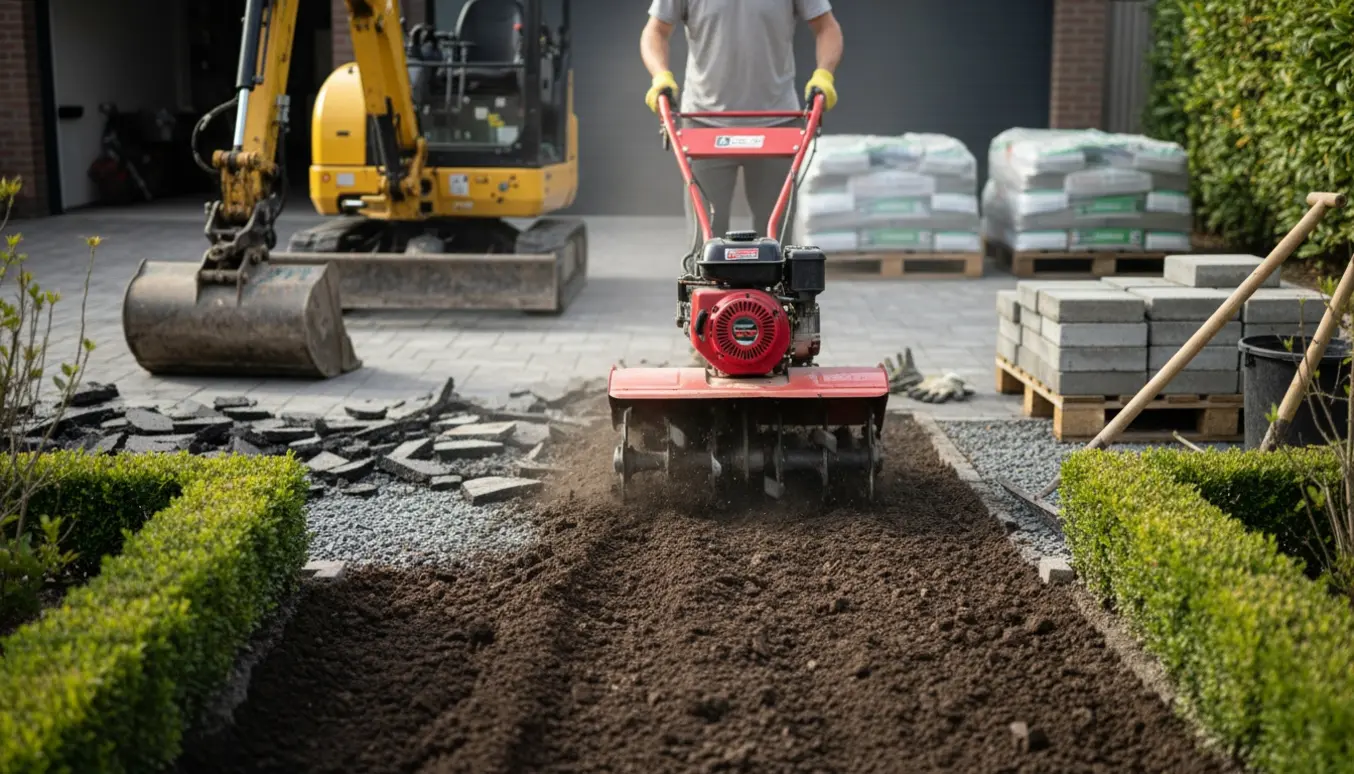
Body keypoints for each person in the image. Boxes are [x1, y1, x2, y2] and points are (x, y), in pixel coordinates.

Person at [640, 0, 843, 251]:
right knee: (705, 237)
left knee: (776, 235)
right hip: (704, 123)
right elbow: (656, 30)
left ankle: (774, 290)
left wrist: (824, 74)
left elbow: (827, 27)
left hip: (777, 123)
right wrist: (660, 74)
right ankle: (705, 287)